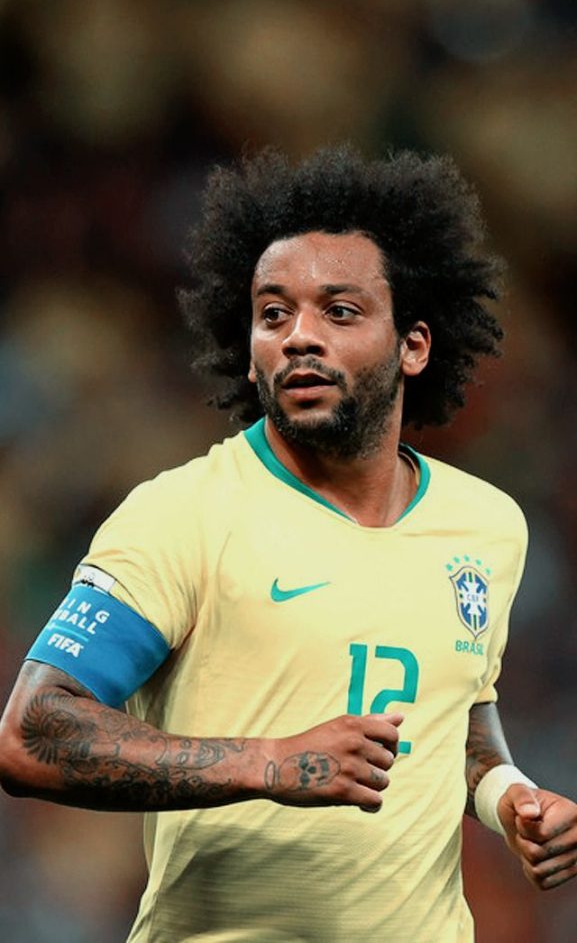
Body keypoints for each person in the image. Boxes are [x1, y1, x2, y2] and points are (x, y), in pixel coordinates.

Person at [0, 144, 576, 943]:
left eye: (339, 312)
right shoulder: (183, 514)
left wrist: (505, 792)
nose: (299, 336)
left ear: (413, 345)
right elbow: (32, 733)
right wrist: (266, 762)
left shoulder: (486, 525)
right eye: (273, 314)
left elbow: (457, 713)